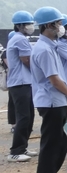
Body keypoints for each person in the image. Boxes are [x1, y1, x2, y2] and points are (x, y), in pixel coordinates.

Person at [29, 7, 67, 173]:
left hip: (55, 100)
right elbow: (54, 80)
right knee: (52, 144)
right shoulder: (44, 49)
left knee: (58, 142)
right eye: (58, 24)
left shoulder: (50, 46)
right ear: (49, 25)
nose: (61, 27)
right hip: (51, 101)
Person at [7, 10, 37, 162]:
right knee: (24, 117)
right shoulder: (20, 39)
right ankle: (16, 151)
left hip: (24, 82)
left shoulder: (19, 38)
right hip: (20, 83)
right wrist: (40, 73)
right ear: (19, 26)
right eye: (28, 24)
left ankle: (22, 147)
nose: (30, 27)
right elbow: (26, 60)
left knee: (29, 116)